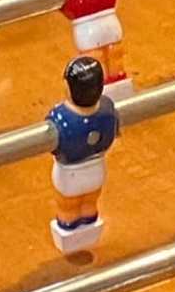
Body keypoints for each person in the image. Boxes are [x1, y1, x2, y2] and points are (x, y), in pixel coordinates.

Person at [46, 54, 120, 258]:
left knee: (68, 207)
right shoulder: (107, 109)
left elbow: (52, 144)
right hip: (96, 169)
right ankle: (89, 231)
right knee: (90, 203)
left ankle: (70, 237)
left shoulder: (61, 118)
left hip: (69, 174)